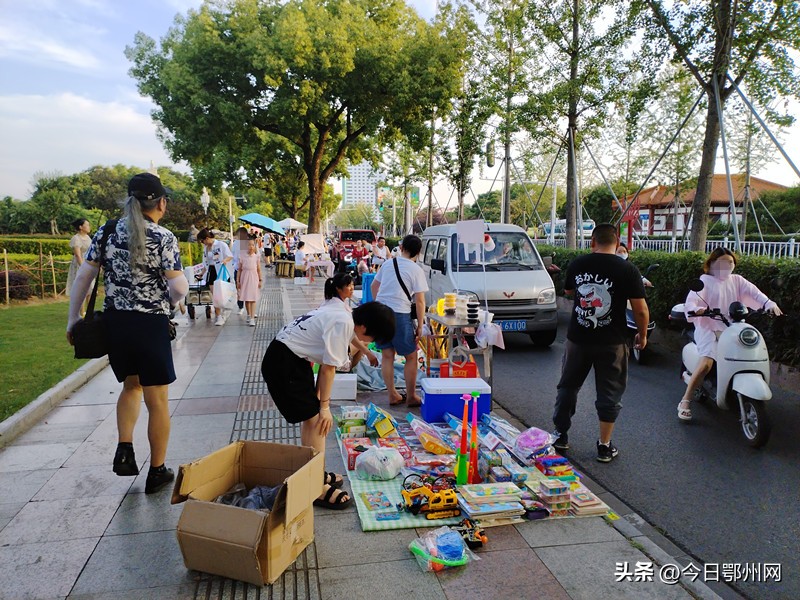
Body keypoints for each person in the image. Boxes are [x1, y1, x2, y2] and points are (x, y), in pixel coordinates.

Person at [66, 173, 188, 494]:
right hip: (150, 326)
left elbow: (84, 278)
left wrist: (72, 321)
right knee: (157, 399)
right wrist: (167, 301)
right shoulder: (163, 237)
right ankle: (157, 470)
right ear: (161, 203)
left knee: (131, 387)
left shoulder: (106, 232)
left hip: (116, 325)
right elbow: (179, 286)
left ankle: (124, 449)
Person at [261, 301, 395, 509]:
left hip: (292, 356)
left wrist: (366, 352)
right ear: (365, 327)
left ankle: (313, 472)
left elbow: (349, 340)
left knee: (312, 419)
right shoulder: (343, 323)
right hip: (284, 364)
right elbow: (328, 370)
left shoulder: (344, 312)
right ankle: (315, 487)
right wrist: (325, 407)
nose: (370, 342)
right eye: (373, 338)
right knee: (318, 421)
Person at [552, 224, 649, 463]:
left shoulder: (578, 263)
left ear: (592, 241)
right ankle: (604, 446)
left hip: (578, 339)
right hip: (613, 342)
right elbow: (641, 309)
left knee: (568, 386)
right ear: (617, 243)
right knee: (609, 393)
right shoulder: (628, 269)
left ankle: (560, 436)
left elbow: (568, 291)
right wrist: (643, 335)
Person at [678, 248, 782, 421]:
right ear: (711, 264)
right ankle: (685, 400)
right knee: (706, 363)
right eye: (721, 263)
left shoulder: (737, 280)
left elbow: (755, 293)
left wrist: (769, 304)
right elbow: (692, 302)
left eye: (730, 262)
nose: (726, 266)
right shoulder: (704, 281)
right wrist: (699, 309)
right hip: (708, 326)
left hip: (733, 326)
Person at [371, 234, 428, 407]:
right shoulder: (416, 269)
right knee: (411, 356)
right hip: (400, 315)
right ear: (418, 252)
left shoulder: (388, 263)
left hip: (381, 314)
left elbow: (374, 286)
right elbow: (419, 301)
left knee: (387, 356)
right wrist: (420, 324)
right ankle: (411, 396)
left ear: (401, 248)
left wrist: (379, 306)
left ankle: (392, 395)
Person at [320, 273, 380, 368]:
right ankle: (346, 368)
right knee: (364, 343)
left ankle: (346, 368)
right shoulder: (341, 309)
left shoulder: (329, 302)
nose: (352, 288)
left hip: (326, 346)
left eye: (353, 285)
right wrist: (367, 352)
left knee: (362, 343)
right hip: (331, 350)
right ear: (338, 288)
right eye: (348, 285)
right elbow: (350, 335)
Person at [198, 228, 233, 325]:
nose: (202, 243)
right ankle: (218, 316)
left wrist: (225, 260)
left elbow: (230, 256)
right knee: (216, 295)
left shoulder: (221, 245)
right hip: (211, 271)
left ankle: (224, 311)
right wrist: (202, 273)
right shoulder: (205, 248)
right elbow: (206, 262)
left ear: (207, 238)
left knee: (223, 294)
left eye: (202, 240)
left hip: (221, 270)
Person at [236, 240, 262, 326]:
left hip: (254, 277)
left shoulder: (256, 257)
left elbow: (258, 269)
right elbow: (239, 269)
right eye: (249, 245)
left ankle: (252, 318)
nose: (251, 247)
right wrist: (238, 281)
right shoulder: (242, 256)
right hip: (245, 277)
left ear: (255, 247)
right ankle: (248, 314)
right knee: (247, 298)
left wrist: (260, 280)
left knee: (253, 298)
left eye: (252, 245)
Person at [66, 218, 92, 297]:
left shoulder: (88, 238)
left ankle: (89, 309)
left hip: (89, 262)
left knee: (90, 287)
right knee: (81, 289)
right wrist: (83, 267)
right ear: (81, 227)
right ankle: (82, 309)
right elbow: (77, 255)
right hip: (80, 263)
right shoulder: (76, 238)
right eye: (86, 225)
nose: (89, 227)